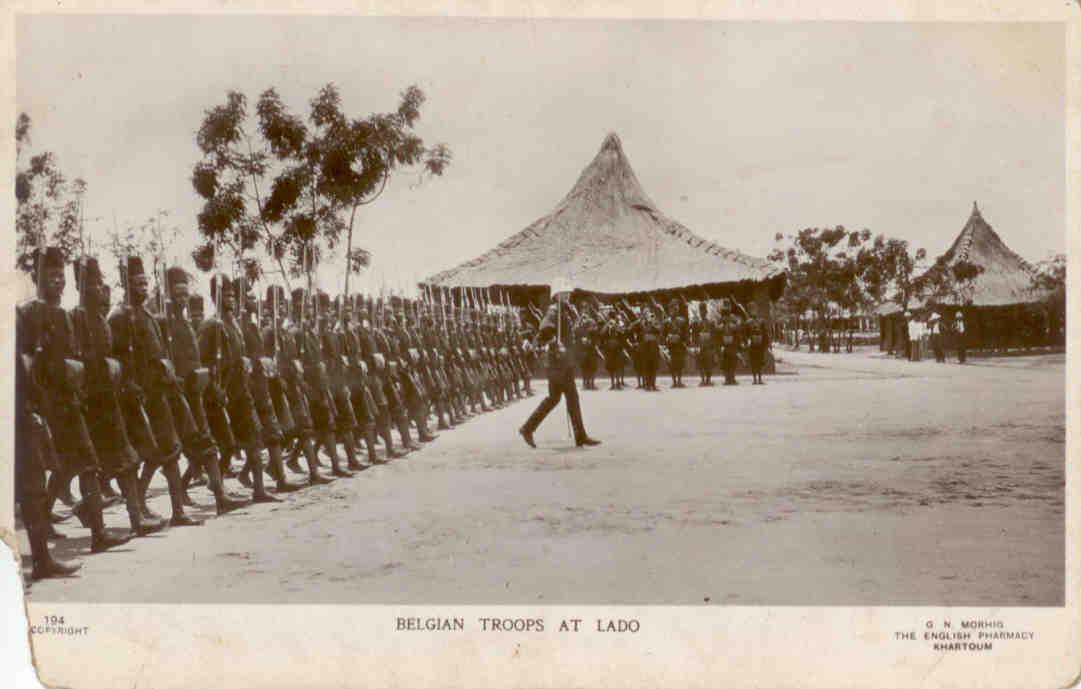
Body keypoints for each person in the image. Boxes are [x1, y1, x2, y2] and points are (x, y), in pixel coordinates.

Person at [110, 255, 204, 527]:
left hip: (157, 394)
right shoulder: (119, 317)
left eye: (145, 283)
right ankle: (135, 509)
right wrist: (130, 386)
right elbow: (116, 360)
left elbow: (159, 352)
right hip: (133, 399)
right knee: (139, 457)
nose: (143, 288)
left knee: (171, 449)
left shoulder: (149, 316)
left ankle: (177, 512)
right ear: (126, 284)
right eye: (138, 284)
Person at [519, 298, 601, 449]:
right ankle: (580, 436)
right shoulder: (553, 311)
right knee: (568, 397)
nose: (568, 296)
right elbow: (544, 329)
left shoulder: (565, 310)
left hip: (564, 363)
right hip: (558, 364)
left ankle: (528, 428)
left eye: (569, 293)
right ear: (558, 295)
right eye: (564, 293)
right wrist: (554, 340)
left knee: (556, 398)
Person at [747, 314, 769, 385]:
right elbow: (765, 333)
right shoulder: (760, 322)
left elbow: (765, 333)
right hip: (757, 346)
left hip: (755, 346)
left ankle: (756, 379)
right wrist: (766, 344)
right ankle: (758, 379)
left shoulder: (749, 322)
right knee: (758, 363)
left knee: (755, 363)